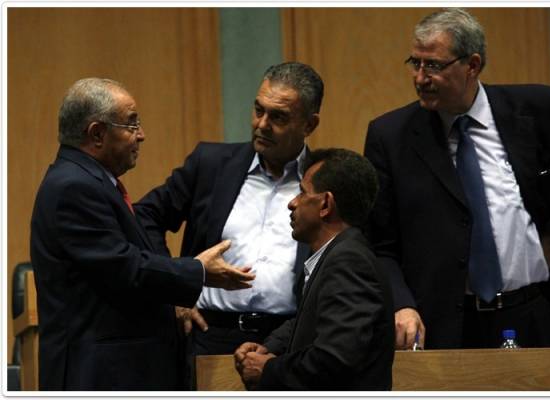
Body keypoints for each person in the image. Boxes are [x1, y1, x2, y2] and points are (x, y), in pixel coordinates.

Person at [364, 8, 550, 353]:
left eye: (433, 65)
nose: (420, 78)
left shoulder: (540, 108)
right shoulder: (390, 136)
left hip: (542, 311)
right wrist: (401, 304)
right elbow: (379, 242)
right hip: (447, 326)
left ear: (472, 65)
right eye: (415, 63)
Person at [30, 78, 255, 390]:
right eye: (131, 124)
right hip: (97, 376)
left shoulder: (88, 181)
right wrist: (199, 271)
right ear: (97, 134)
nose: (141, 135)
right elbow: (125, 267)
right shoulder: (74, 187)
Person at [134, 62, 323, 356]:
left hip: (288, 341)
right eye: (258, 110)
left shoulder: (322, 182)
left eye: (278, 117)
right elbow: (145, 215)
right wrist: (174, 287)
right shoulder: (211, 164)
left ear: (309, 125)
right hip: (210, 334)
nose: (262, 124)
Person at [234, 148, 395, 390]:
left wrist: (268, 369)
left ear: (325, 204)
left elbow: (334, 359)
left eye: (302, 192)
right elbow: (312, 320)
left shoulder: (348, 261)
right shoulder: (337, 256)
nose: (292, 203)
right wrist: (269, 348)